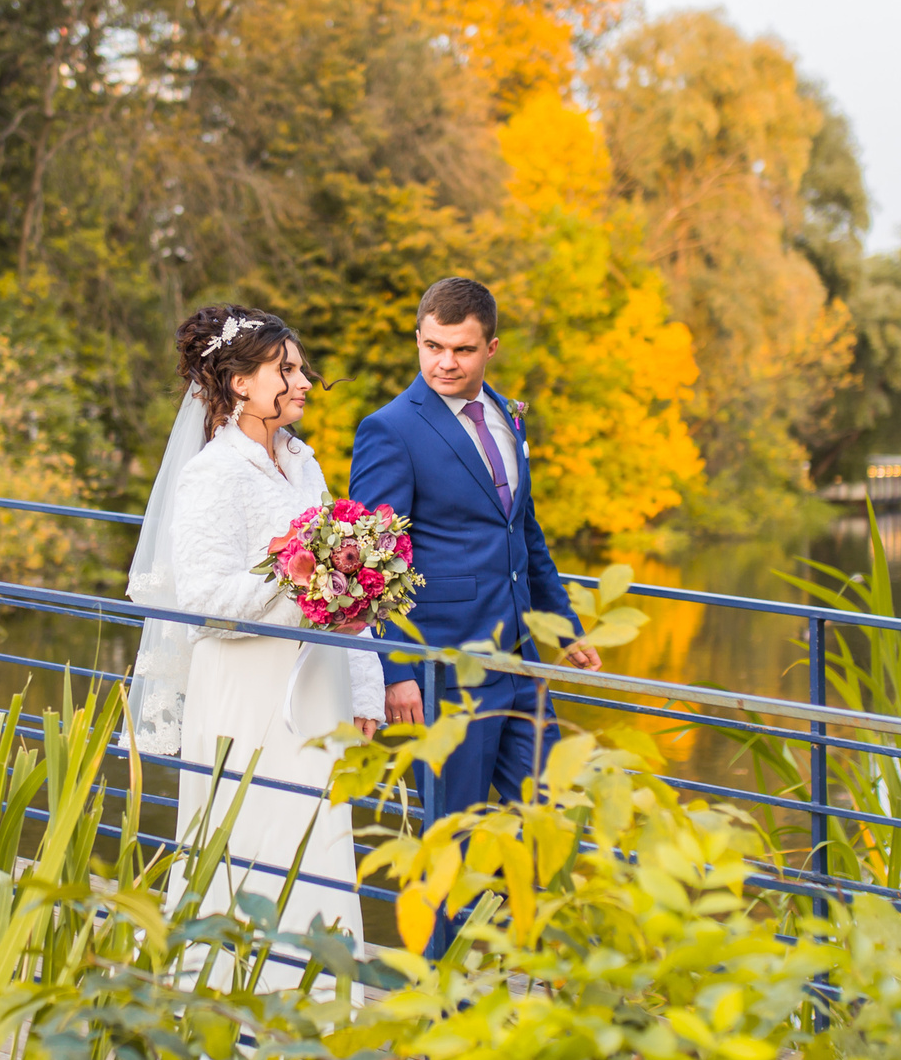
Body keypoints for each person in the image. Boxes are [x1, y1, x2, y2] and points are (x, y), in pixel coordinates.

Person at [125, 305, 384, 966]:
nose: (303, 382)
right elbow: (205, 597)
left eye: (299, 369)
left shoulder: (304, 463)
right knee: (252, 842)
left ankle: (321, 1014)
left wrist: (365, 689)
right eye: (286, 369)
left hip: (315, 686)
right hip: (245, 689)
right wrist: (293, 575)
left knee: (317, 838)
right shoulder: (212, 473)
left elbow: (341, 586)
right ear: (240, 382)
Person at [348, 276, 599, 953]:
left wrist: (562, 622)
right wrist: (396, 670)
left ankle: (541, 989)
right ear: (419, 338)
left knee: (549, 828)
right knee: (450, 843)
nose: (444, 362)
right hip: (445, 672)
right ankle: (441, 1009)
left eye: (460, 349)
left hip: (521, 662)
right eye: (432, 346)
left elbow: (526, 535)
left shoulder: (508, 416)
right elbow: (375, 562)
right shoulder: (390, 430)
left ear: (491, 346)